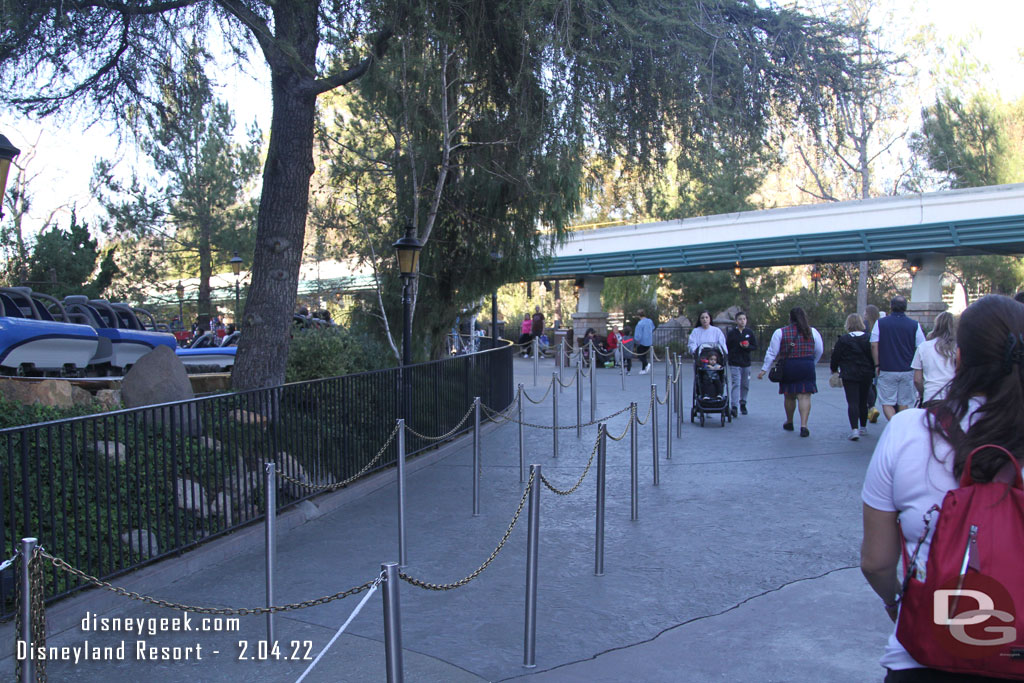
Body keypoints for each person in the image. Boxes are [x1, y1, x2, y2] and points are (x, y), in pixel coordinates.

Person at [860, 294, 1024, 681]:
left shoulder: (908, 431)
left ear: (959, 358)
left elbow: (877, 562)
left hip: (925, 655)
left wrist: (896, 601)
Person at [757, 307, 823, 437]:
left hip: (789, 366)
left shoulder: (780, 332)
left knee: (789, 395)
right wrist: (812, 362)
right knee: (804, 395)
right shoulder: (812, 331)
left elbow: (772, 352)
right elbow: (819, 350)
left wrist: (764, 369)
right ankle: (804, 426)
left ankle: (790, 421)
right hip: (807, 364)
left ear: (790, 317)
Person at [871, 295, 926, 421]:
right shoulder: (914, 325)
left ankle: (893, 423)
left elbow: (874, 344)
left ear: (891, 307)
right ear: (905, 308)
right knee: (904, 401)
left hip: (887, 367)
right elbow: (921, 346)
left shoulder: (880, 323)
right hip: (907, 368)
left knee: (887, 401)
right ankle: (901, 424)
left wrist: (877, 364)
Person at [830, 313, 875, 441]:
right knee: (863, 400)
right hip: (866, 373)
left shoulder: (843, 340)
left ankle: (854, 429)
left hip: (849, 374)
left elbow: (836, 357)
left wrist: (834, 370)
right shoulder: (869, 338)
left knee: (852, 402)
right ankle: (863, 427)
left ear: (848, 324)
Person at [910, 311, 957, 407]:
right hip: (953, 397)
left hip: (931, 397)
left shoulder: (923, 347)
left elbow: (917, 380)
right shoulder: (958, 348)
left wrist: (923, 393)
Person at [725, 312, 757, 417]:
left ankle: (743, 402)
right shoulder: (731, 333)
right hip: (735, 362)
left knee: (745, 384)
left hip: (746, 363)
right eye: (740, 319)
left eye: (744, 319)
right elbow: (727, 346)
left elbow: (754, 346)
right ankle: (734, 406)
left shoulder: (749, 332)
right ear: (736, 321)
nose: (742, 321)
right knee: (736, 383)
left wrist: (747, 346)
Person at [633, 310, 655, 374]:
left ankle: (646, 364)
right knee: (644, 355)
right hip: (649, 340)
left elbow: (638, 334)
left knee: (640, 355)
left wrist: (636, 339)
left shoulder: (640, 323)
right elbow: (653, 328)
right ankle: (643, 369)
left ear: (638, 316)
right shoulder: (650, 321)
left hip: (642, 341)